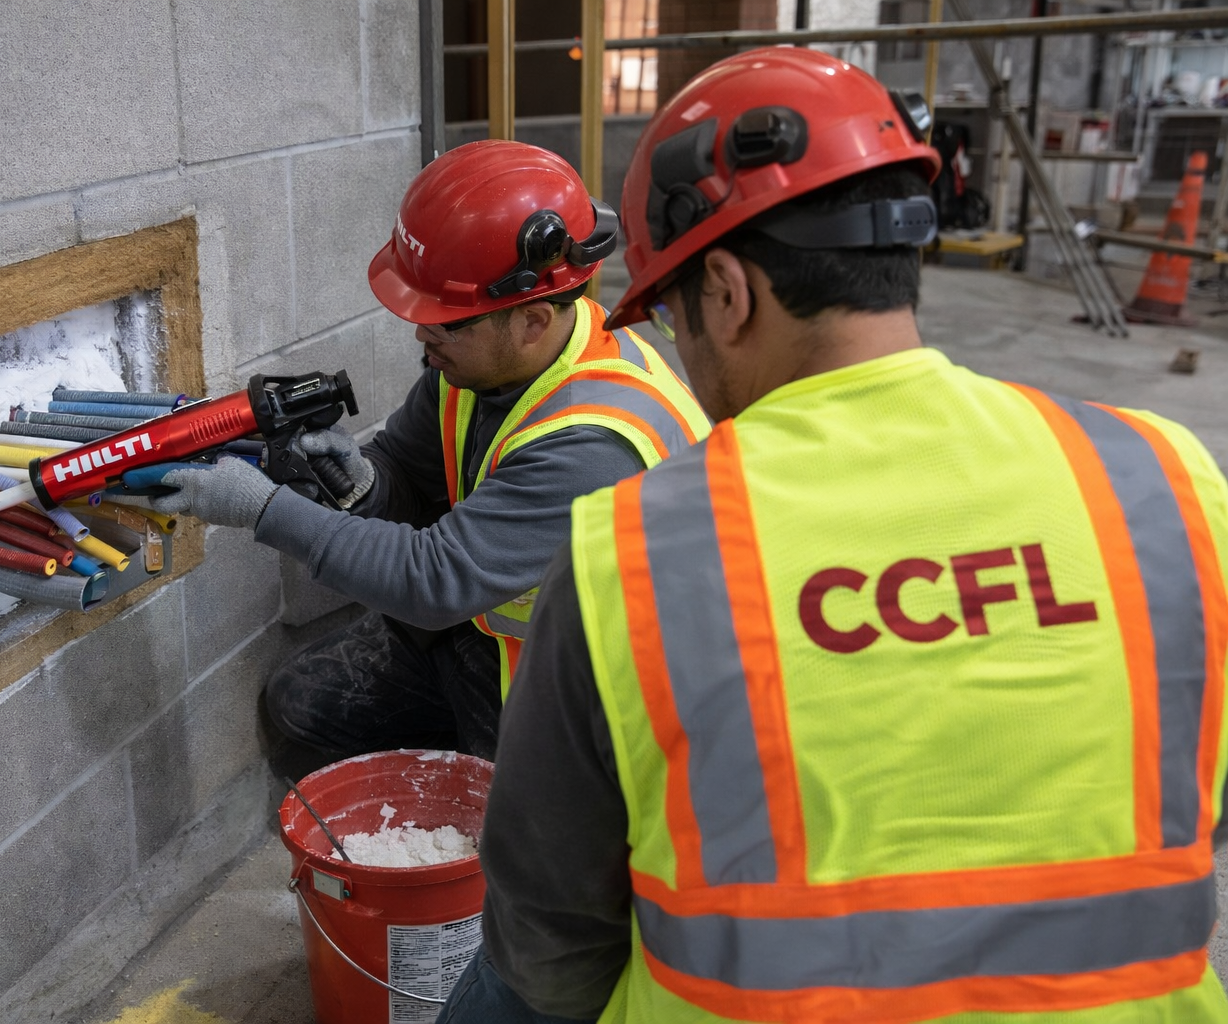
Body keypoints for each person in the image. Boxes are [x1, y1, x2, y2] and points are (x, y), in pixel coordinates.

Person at [439, 47, 1228, 1023]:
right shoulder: (1165, 476)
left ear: (726, 293)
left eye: (675, 317)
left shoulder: (631, 551)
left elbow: (549, 943)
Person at [151, 140, 708, 769]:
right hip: (490, 629)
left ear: (530, 320)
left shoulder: (593, 441)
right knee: (301, 706)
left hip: (599, 698)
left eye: (448, 321)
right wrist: (364, 482)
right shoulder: (477, 366)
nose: (422, 333)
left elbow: (431, 580)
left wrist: (261, 510)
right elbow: (408, 471)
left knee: (512, 844)